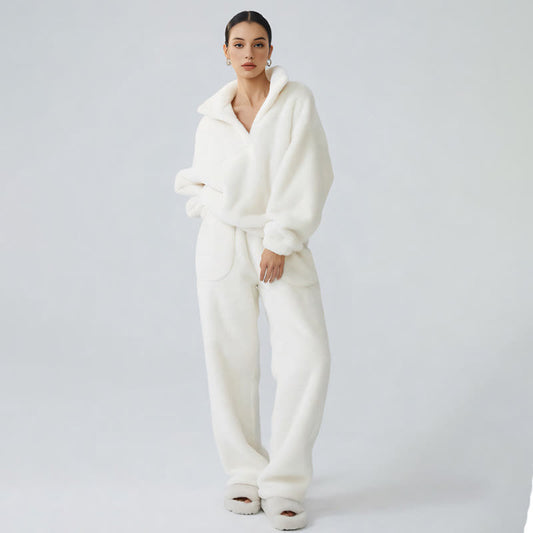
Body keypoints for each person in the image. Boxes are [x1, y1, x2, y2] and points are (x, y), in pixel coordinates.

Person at [174, 10, 334, 531]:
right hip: (221, 245)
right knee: (230, 359)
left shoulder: (295, 101)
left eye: (258, 43)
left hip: (278, 243)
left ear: (270, 50)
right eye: (239, 44)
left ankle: (284, 481)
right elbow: (199, 181)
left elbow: (310, 172)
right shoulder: (212, 116)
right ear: (225, 52)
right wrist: (210, 209)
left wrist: (280, 239)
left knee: (307, 358)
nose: (249, 53)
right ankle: (244, 472)